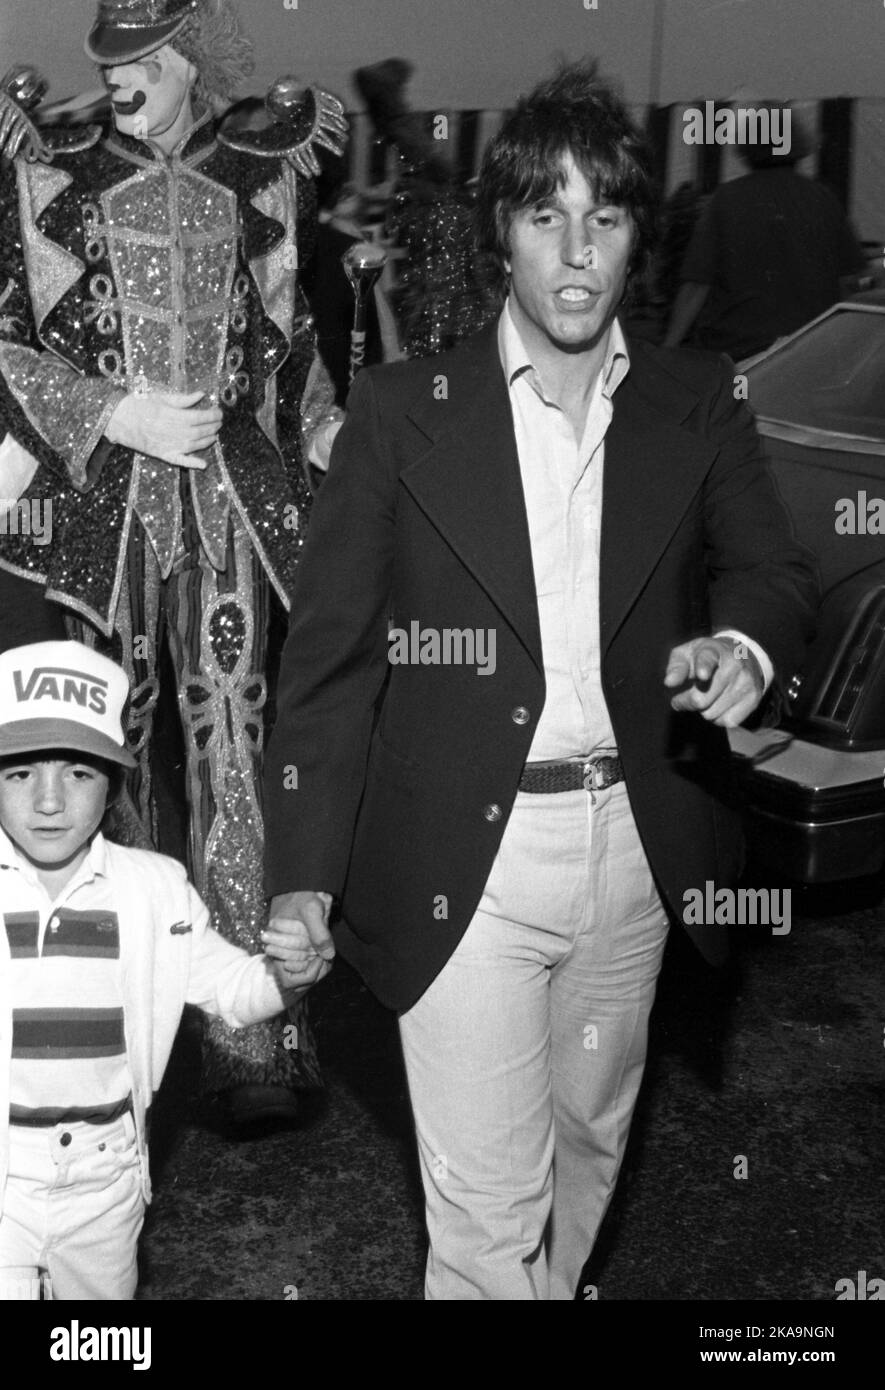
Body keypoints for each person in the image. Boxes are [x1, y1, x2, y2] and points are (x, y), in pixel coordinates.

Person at [261, 61, 818, 1300]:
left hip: (637, 846)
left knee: (587, 1150)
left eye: (604, 217)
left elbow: (773, 573)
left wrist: (745, 646)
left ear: (635, 240)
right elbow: (330, 664)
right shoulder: (404, 413)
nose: (575, 251)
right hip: (467, 857)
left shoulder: (697, 403)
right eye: (542, 215)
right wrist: (301, 866)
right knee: (484, 1210)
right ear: (500, 234)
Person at [0, 0, 346, 1129]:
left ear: (190, 60)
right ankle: (118, 1016)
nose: (123, 80)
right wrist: (115, 412)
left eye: (144, 59)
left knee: (232, 737)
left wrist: (337, 439)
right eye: (112, 62)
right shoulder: (54, 176)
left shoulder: (261, 171)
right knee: (113, 748)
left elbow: (288, 348)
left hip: (231, 508)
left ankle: (247, 1025)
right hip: (103, 517)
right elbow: (6, 342)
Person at [0, 640, 313, 1300]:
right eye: (21, 774)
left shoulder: (151, 891)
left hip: (104, 1174)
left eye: (79, 774)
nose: (49, 801)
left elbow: (231, 988)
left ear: (113, 784)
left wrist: (291, 973)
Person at [664, 104, 866, 358]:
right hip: (812, 350)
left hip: (738, 353)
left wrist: (669, 347)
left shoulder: (726, 200)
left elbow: (696, 284)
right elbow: (850, 280)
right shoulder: (823, 199)